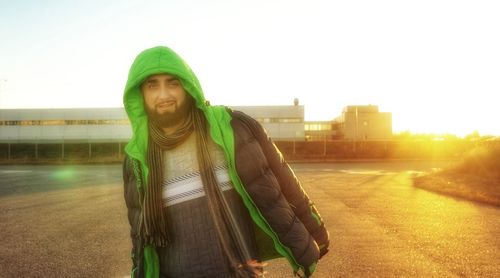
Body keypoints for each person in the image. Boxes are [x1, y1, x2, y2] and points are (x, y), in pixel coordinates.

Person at [122, 46, 330, 278]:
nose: (164, 95)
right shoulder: (137, 156)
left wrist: (315, 233)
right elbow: (139, 230)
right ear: (140, 93)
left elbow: (283, 182)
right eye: (152, 85)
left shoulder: (232, 127)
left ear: (187, 86)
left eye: (173, 83)